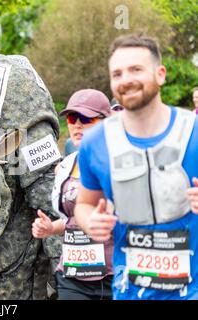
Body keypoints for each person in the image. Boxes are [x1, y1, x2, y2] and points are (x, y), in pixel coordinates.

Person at [74, 34, 198, 300]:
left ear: (160, 74)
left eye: (136, 69)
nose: (126, 79)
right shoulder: (95, 143)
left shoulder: (194, 132)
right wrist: (89, 222)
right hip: (129, 291)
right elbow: (84, 204)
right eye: (117, 73)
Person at [32, 89, 113, 300]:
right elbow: (71, 220)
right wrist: (50, 228)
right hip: (72, 275)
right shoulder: (65, 166)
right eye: (72, 117)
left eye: (86, 118)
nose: (77, 124)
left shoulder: (122, 162)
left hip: (114, 275)